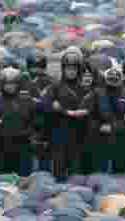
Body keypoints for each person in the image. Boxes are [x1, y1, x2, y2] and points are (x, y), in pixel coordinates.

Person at [43, 48, 92, 179]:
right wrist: (54, 108)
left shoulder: (84, 88)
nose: (71, 72)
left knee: (76, 170)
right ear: (63, 69)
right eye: (68, 69)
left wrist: (65, 110)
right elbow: (45, 105)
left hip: (78, 132)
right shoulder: (56, 86)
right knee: (58, 168)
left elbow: (89, 107)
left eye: (74, 69)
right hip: (59, 131)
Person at [0, 67, 37, 176]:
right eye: (7, 84)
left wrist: (29, 133)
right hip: (2, 148)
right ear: (2, 84)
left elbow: (35, 121)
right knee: (3, 180)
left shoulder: (26, 100)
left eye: (13, 83)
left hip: (23, 147)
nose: (10, 86)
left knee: (24, 179)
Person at [92, 62, 125, 174]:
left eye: (116, 78)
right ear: (106, 78)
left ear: (120, 79)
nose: (113, 80)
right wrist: (99, 126)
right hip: (101, 138)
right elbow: (91, 115)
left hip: (121, 137)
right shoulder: (97, 93)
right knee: (102, 171)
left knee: (119, 171)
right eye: (110, 78)